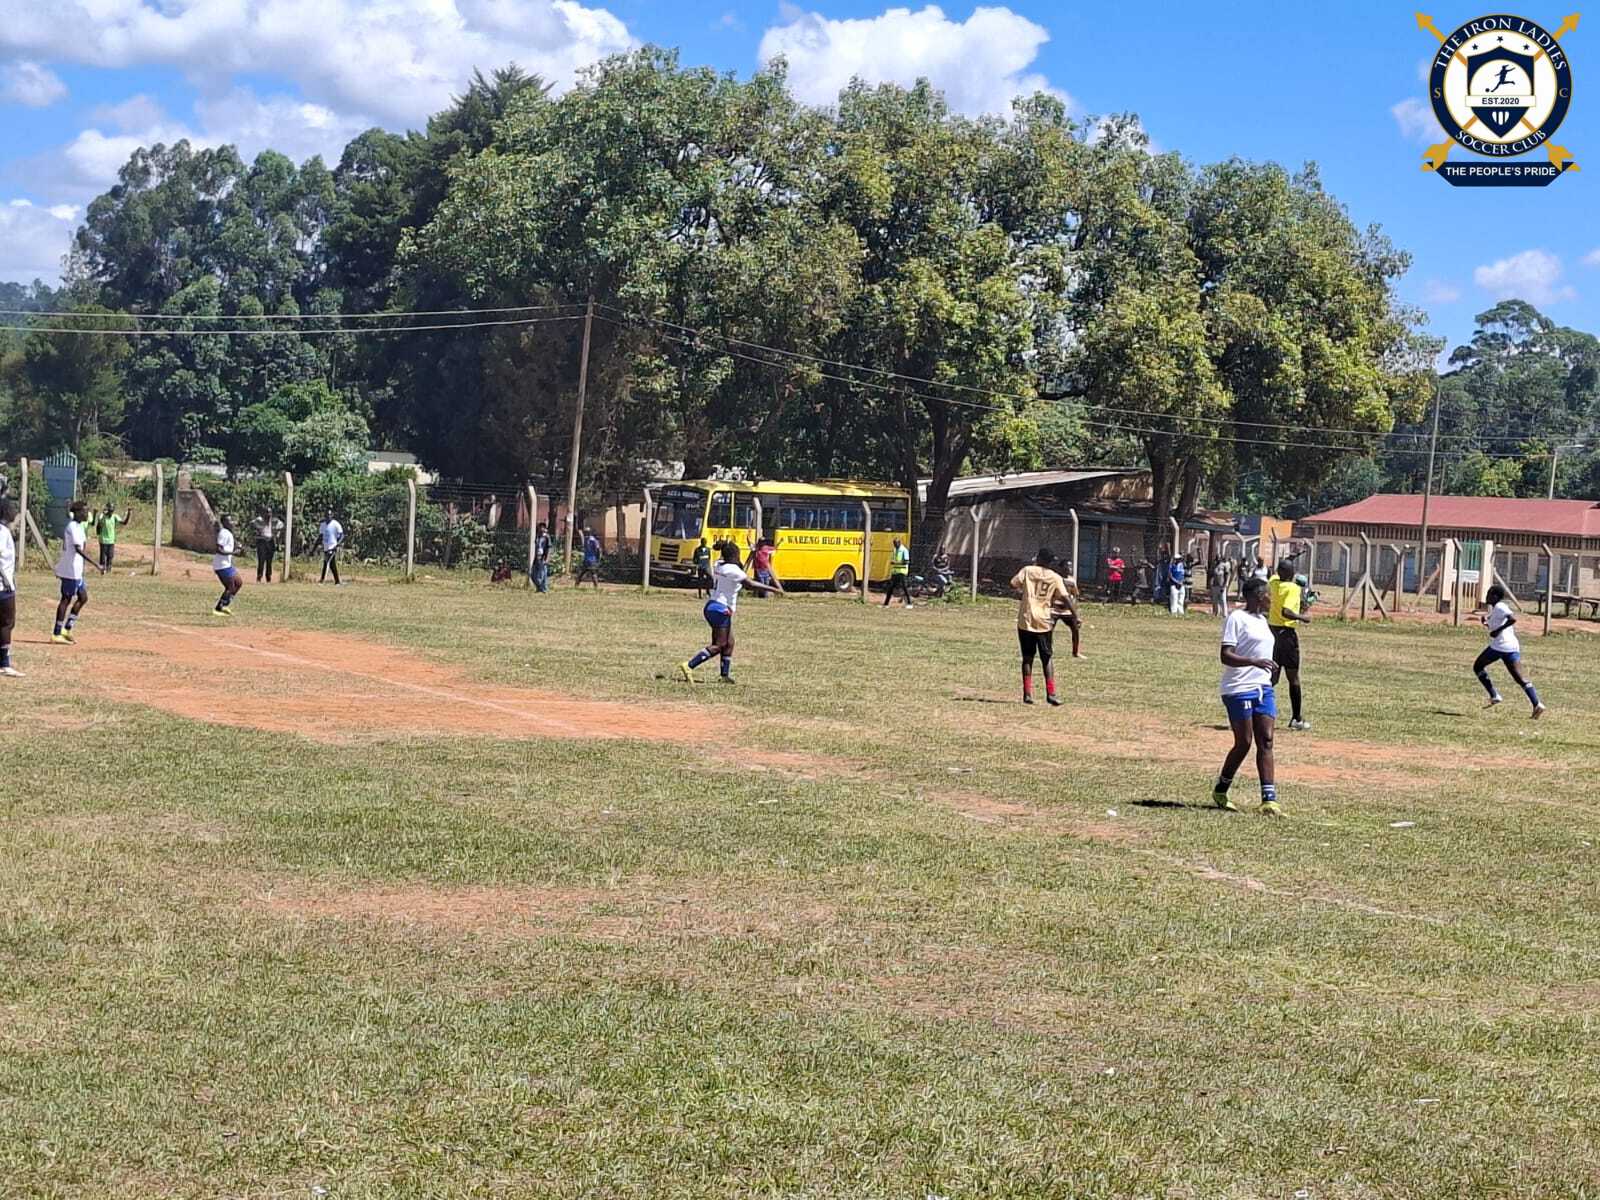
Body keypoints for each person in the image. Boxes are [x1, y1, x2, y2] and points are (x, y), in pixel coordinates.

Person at [1213, 575, 1283, 817]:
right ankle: (1221, 790)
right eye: (1268, 594)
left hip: (1263, 688)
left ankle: (1269, 800)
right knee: (1244, 742)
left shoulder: (1263, 621)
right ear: (1257, 596)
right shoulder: (1236, 618)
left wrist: (1271, 671)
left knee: (1266, 740)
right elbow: (1226, 655)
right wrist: (1253, 662)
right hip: (1239, 688)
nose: (1271, 599)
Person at [677, 541, 779, 685]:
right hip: (721, 608)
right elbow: (750, 584)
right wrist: (773, 588)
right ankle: (689, 665)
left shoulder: (719, 565)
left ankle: (724, 676)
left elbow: (740, 571)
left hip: (712, 606)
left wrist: (749, 556)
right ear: (735, 555)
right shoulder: (733, 570)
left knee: (729, 642)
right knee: (719, 645)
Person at [1010, 547, 1074, 706]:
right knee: (1047, 658)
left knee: (1027, 658)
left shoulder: (1028, 570)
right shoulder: (1055, 577)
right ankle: (1051, 694)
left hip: (1026, 620)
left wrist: (1025, 591)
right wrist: (1076, 615)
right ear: (1050, 562)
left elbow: (1013, 583)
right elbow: (1065, 597)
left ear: (1038, 558)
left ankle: (1027, 694)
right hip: (1044, 621)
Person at [1474, 584, 1547, 719]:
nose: (1486, 596)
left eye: (1489, 594)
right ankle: (1537, 704)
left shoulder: (1500, 606)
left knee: (1478, 666)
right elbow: (1496, 625)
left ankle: (1494, 695)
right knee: (1519, 678)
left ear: (1495, 596)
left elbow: (1512, 619)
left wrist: (1497, 631)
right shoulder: (1495, 609)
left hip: (1500, 646)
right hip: (1512, 646)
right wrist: (1486, 623)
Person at [1267, 559, 1314, 731]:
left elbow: (1277, 573)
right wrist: (1303, 617)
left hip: (1271, 632)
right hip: (1287, 635)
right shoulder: (1293, 588)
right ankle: (1296, 718)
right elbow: (1286, 612)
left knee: (1271, 676)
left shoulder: (1273, 583)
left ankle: (1254, 711)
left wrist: (1290, 558)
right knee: (1293, 677)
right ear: (1291, 573)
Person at [52, 501, 104, 644]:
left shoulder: (79, 527)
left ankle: (67, 628)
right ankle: (56, 633)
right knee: (66, 599)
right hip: (70, 570)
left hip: (77, 570)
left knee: (83, 597)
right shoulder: (73, 527)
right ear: (78, 513)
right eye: (85, 511)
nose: (87, 514)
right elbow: (78, 549)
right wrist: (96, 564)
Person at [0, 499, 19, 677]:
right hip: (3, 587)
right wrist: (7, 581)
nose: (15, 512)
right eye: (12, 509)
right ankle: (4, 663)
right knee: (7, 623)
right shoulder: (3, 532)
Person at [211, 515, 243, 617]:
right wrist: (233, 553)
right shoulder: (224, 533)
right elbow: (218, 549)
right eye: (230, 521)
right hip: (221, 565)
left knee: (238, 582)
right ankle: (218, 608)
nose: (232, 522)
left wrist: (237, 547)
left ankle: (225, 605)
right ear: (225, 523)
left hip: (227, 564)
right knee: (231, 586)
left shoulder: (228, 533)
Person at [94, 502, 132, 573]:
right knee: (103, 558)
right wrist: (102, 514)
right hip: (103, 540)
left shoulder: (115, 517)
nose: (111, 512)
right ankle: (102, 570)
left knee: (110, 556)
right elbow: (98, 525)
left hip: (111, 540)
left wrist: (129, 514)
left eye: (112, 510)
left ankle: (108, 571)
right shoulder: (102, 516)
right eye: (110, 510)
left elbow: (124, 523)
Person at [252, 508, 282, 583]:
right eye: (267, 513)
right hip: (262, 541)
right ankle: (259, 577)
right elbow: (252, 523)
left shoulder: (274, 521)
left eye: (269, 513)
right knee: (261, 560)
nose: (268, 515)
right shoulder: (259, 520)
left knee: (269, 561)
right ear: (263, 514)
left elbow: (281, 525)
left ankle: (268, 577)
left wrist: (277, 531)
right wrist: (257, 530)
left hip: (271, 541)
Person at [883, 536, 913, 608]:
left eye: (896, 544)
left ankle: (909, 603)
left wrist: (896, 563)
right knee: (890, 588)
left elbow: (906, 562)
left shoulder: (904, 550)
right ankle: (886, 604)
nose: (895, 545)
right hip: (895, 572)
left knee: (904, 587)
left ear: (899, 543)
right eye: (894, 544)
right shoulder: (895, 550)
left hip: (902, 572)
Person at [318, 511, 345, 585]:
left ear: (332, 515)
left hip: (333, 547)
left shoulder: (335, 524)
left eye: (330, 515)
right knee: (332, 565)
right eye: (327, 515)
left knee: (326, 562)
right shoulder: (323, 525)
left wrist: (337, 544)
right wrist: (314, 548)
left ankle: (322, 580)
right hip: (326, 547)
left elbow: (342, 535)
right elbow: (320, 537)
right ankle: (337, 581)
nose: (328, 516)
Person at [530, 523, 552, 593]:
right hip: (537, 558)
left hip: (543, 558)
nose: (541, 529)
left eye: (542, 527)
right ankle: (540, 588)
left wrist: (547, 558)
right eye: (540, 527)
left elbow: (549, 548)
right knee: (532, 574)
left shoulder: (546, 537)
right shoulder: (537, 536)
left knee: (542, 575)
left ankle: (543, 589)